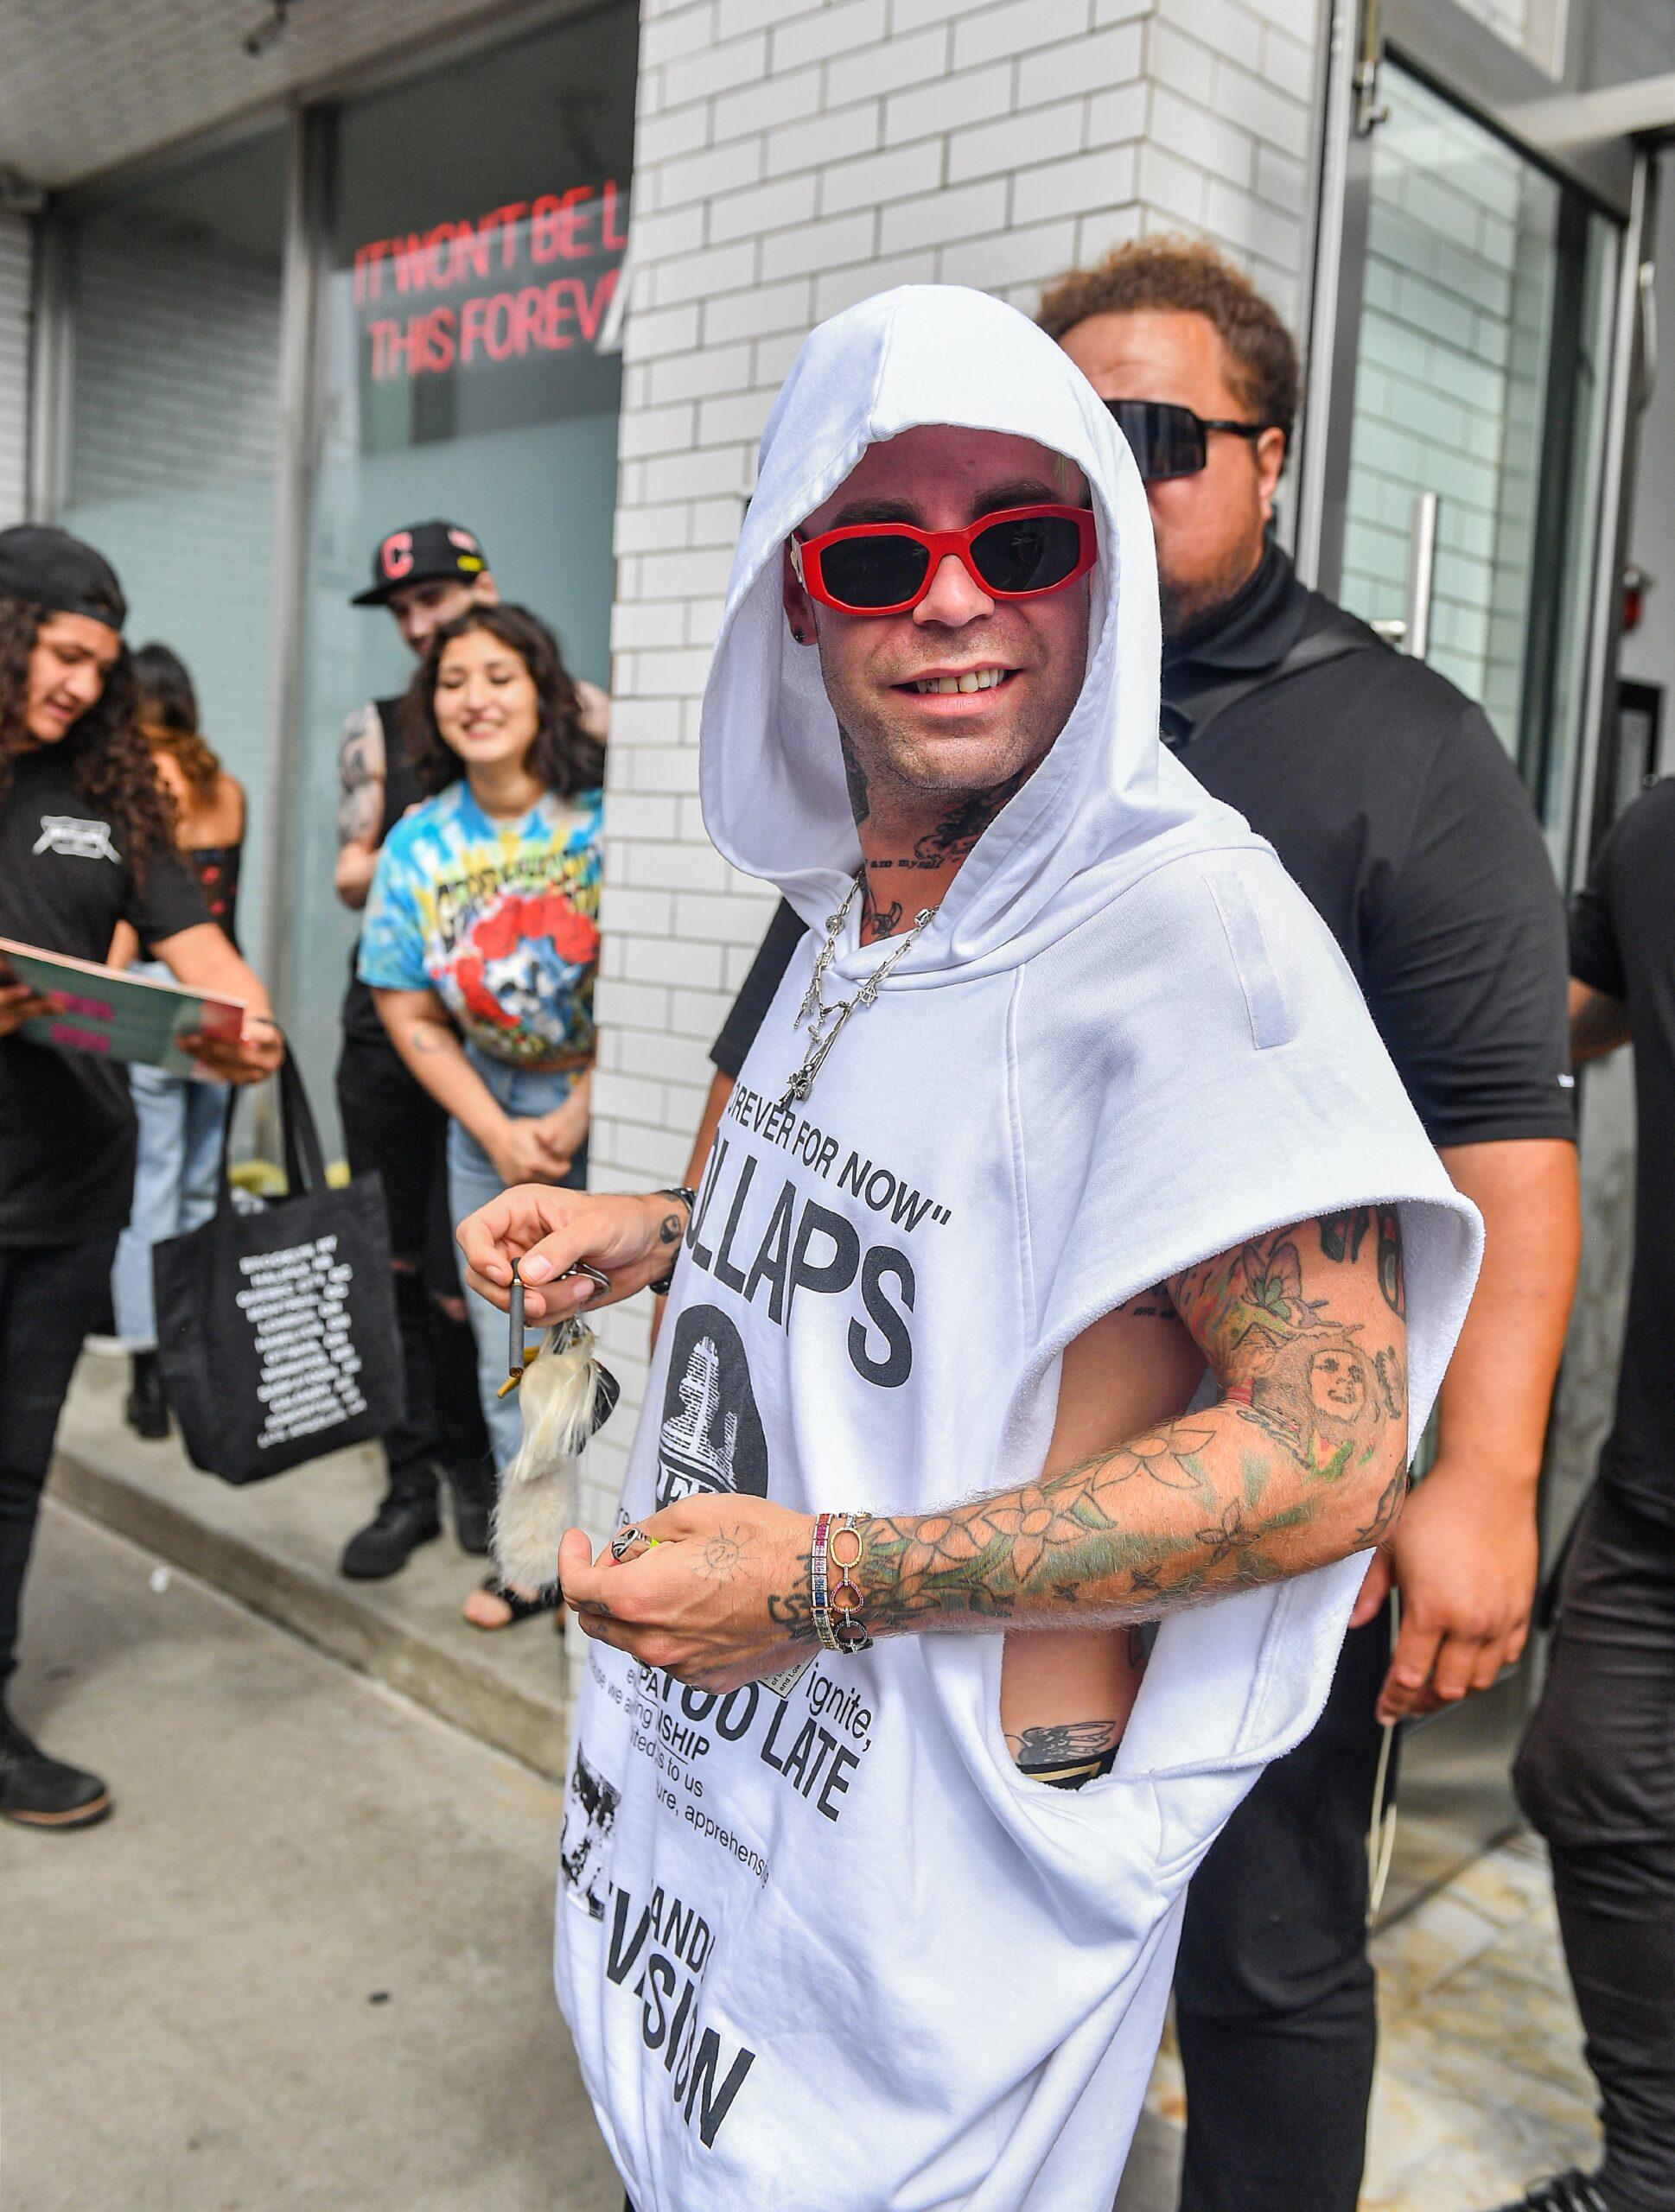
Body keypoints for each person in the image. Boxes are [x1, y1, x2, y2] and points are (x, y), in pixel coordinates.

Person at [454, 285, 1481, 2209]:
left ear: (1100, 576)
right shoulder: (862, 904)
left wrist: (830, 1579)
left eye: (1022, 539)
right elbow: (957, 1221)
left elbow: (1331, 1442)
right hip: (735, 1842)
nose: (950, 600)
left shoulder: (1188, 932)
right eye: (873, 551)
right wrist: (665, 1230)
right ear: (797, 598)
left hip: (937, 1897)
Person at [704, 239, 1581, 2212]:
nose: (1089, 478)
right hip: (929, 1524)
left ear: (1267, 458)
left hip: (1223, 1527)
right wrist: (683, 1236)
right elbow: (807, 1052)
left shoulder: (1398, 755)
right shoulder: (942, 728)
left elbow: (1501, 1144)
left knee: (1261, 1955)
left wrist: (1480, 1475)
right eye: (1056, 434)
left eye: (1144, 439)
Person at [0, 525, 282, 1830]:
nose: (75, 685)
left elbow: (201, 951)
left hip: (65, 1195)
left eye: (95, 666)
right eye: (59, 654)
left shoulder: (108, 792)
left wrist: (243, 1025)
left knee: (12, 1471)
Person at [1493, 779, 1675, 2212]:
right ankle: (1652, 2166)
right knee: (1585, 1766)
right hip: (1657, 1471)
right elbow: (1555, 1002)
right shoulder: (1660, 831)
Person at [360, 603, 604, 1630]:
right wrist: (499, 1131)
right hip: (483, 1110)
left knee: (603, 1343)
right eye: (455, 681)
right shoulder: (419, 841)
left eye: (500, 675)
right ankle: (534, 1561)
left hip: (601, 1095)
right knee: (514, 1345)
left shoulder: (604, 816)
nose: (476, 698)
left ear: (542, 687)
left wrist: (582, 1107)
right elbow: (405, 1002)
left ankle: (610, 1559)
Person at [333, 518, 502, 1580]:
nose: (416, 624)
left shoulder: (537, 705)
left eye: (432, 600)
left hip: (496, 1033)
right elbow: (350, 875)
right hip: (387, 1029)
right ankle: (408, 1481)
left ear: (483, 593)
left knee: (472, 1269)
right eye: (401, 611)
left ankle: (481, 1473)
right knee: (391, 1259)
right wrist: (417, 843)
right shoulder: (381, 728)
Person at [109, 643, 246, 1440]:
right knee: (199, 1183)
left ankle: (147, 1372)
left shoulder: (139, 786)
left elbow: (139, 910)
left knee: (151, 1188)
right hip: (223, 993)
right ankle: (193, 1348)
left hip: (158, 995)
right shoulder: (225, 788)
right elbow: (221, 914)